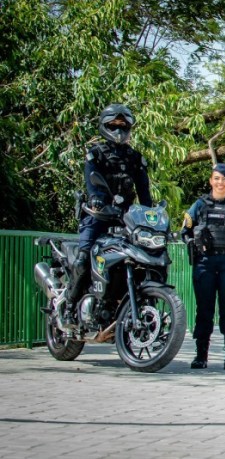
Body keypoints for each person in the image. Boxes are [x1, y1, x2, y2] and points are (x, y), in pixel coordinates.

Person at [68, 104, 153, 319]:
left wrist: (150, 213)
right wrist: (96, 198)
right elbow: (92, 182)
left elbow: (144, 191)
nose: (118, 130)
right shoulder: (95, 154)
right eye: (113, 125)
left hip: (126, 218)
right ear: (104, 126)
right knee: (83, 258)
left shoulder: (135, 157)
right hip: (97, 215)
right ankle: (70, 305)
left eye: (122, 126)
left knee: (143, 256)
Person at [181, 163, 225, 370]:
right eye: (217, 178)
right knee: (204, 309)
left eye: (224, 179)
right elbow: (185, 232)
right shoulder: (199, 205)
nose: (220, 183)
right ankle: (201, 355)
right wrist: (193, 242)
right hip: (205, 262)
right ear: (211, 181)